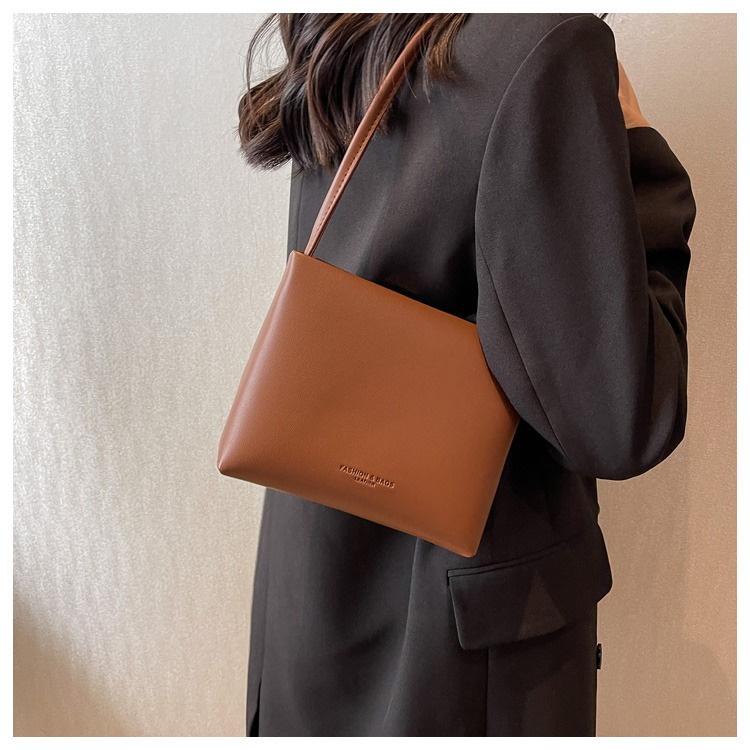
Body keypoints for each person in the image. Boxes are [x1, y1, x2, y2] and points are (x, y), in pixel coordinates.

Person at [234, 12, 697, 736]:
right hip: (462, 664)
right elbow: (622, 419)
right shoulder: (544, 46)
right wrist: (639, 150)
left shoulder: (353, 27)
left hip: (312, 600)